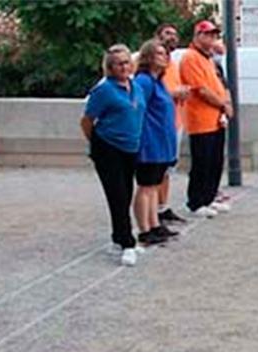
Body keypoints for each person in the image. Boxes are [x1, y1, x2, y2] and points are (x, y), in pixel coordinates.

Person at [80, 45, 145, 267]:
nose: (124, 67)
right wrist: (96, 144)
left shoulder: (135, 87)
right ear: (110, 67)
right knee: (117, 194)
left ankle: (119, 236)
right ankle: (127, 242)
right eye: (118, 63)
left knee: (126, 191)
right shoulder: (104, 90)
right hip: (108, 147)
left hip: (131, 146)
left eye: (127, 62)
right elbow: (87, 120)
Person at [180, 20, 233, 218]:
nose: (212, 39)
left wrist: (225, 104)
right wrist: (223, 104)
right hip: (200, 120)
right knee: (202, 162)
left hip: (215, 120)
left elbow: (219, 83)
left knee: (215, 161)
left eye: (214, 35)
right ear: (197, 36)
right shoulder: (190, 58)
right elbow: (200, 89)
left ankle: (209, 197)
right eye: (208, 35)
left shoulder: (209, 59)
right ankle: (196, 200)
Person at [132, 39, 180, 247]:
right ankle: (144, 228)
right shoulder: (144, 81)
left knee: (154, 186)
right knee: (146, 186)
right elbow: (136, 110)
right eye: (159, 53)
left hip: (161, 142)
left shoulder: (158, 81)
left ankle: (154, 223)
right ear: (149, 57)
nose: (165, 57)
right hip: (149, 142)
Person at [154, 23, 189, 225]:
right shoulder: (151, 66)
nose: (172, 37)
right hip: (160, 124)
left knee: (168, 168)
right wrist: (173, 93)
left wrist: (182, 91)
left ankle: (163, 206)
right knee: (158, 169)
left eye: (175, 34)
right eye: (167, 33)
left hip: (176, 120)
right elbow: (151, 91)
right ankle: (153, 212)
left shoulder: (173, 64)